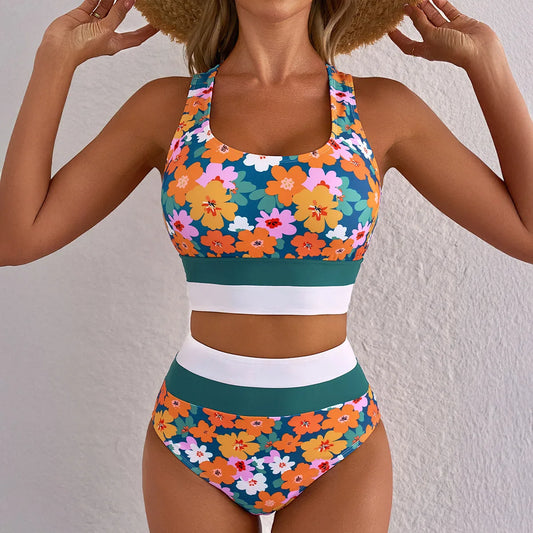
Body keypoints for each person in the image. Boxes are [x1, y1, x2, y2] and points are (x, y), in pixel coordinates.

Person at [0, 1, 531, 532]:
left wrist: (485, 61)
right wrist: (56, 58)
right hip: (194, 435)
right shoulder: (165, 108)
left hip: (337, 440)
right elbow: (16, 238)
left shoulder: (385, 109)